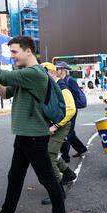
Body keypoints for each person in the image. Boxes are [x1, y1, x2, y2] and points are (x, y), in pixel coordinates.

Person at [0, 36, 67, 213]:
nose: (12, 56)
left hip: (34, 137)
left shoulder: (34, 73)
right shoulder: (24, 74)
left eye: (14, 52)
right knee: (14, 178)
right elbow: (5, 92)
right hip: (24, 136)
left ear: (28, 51)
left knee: (48, 179)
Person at [40, 63, 77, 205]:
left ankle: (58, 192)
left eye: (44, 73)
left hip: (60, 126)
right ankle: (68, 174)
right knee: (51, 153)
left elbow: (71, 109)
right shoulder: (50, 86)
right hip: (53, 125)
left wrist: (56, 125)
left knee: (49, 155)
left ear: (53, 73)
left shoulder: (61, 87)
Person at [56, 62, 88, 163]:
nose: (56, 71)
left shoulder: (70, 81)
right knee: (70, 131)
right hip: (64, 109)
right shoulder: (60, 81)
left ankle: (65, 157)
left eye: (58, 69)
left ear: (63, 70)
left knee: (67, 132)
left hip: (71, 109)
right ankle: (81, 148)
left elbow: (76, 94)